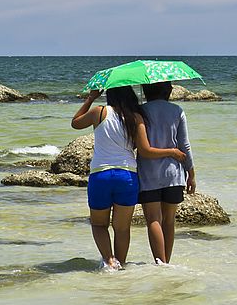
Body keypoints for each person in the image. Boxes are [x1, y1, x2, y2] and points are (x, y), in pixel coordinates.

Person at [72, 86, 186, 270]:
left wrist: (91, 98)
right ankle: (121, 264)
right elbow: (145, 150)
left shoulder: (99, 112)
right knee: (122, 228)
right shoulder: (136, 117)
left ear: (110, 94)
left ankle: (109, 261)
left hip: (101, 174)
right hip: (127, 176)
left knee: (99, 224)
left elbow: (75, 123)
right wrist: (172, 152)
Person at [137, 82, 196, 265]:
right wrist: (191, 173)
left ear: (145, 91)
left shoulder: (140, 111)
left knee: (153, 219)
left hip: (148, 174)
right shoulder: (177, 110)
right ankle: (167, 263)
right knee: (169, 221)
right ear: (169, 91)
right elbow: (184, 145)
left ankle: (159, 263)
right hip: (174, 174)